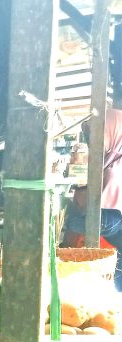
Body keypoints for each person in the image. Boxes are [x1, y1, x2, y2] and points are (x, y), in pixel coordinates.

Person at [65, 109, 122, 290]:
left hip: (112, 217)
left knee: (73, 222)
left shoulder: (112, 164)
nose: (92, 139)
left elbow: (90, 197)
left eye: (98, 132)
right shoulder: (110, 158)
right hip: (113, 222)